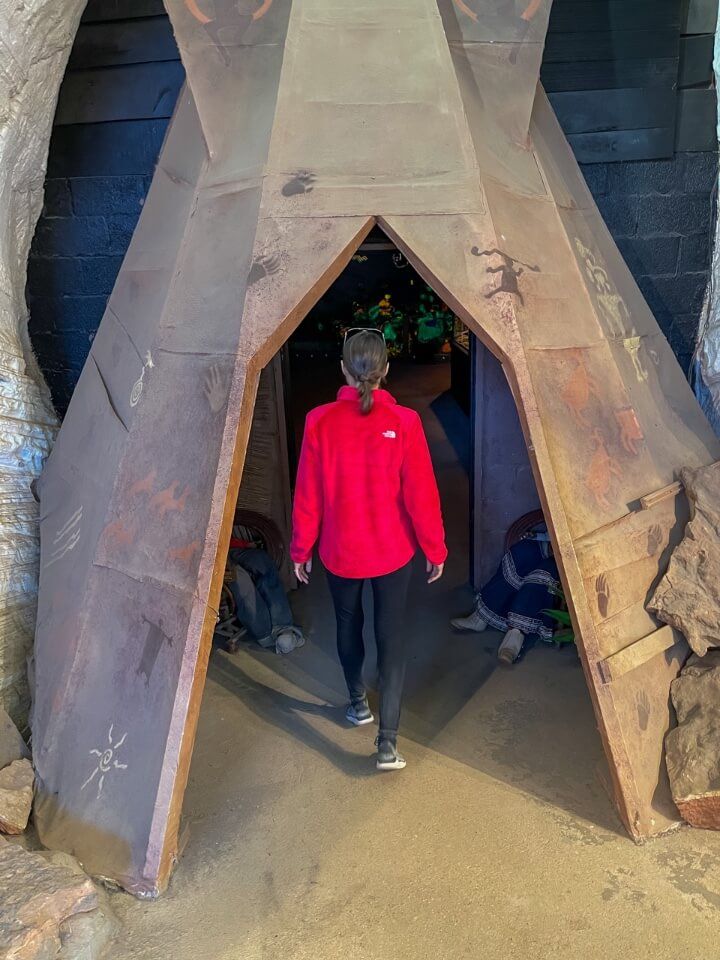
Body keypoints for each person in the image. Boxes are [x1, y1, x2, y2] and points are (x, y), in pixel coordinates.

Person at [291, 327, 447, 771]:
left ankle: (358, 703)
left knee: (347, 625)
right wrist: (434, 547)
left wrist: (301, 549)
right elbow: (422, 495)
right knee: (390, 636)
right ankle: (388, 742)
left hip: (341, 552)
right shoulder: (406, 423)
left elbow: (308, 495)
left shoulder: (318, 421)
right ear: (387, 372)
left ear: (343, 368)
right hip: (393, 554)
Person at [451, 525, 559, 664]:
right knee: (521, 552)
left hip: (568, 554)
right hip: (551, 542)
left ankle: (515, 636)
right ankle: (480, 618)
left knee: (541, 575)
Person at [228, 534, 305, 655]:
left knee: (262, 561)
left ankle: (282, 625)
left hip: (229, 548)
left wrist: (245, 545)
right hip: (209, 559)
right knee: (242, 582)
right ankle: (264, 633)